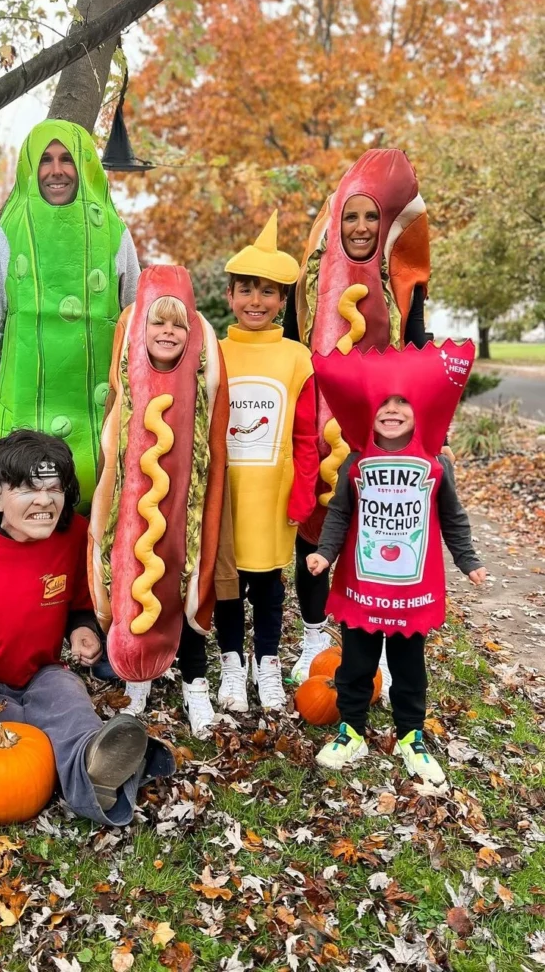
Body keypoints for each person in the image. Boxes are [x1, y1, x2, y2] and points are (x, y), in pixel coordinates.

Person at [0, 429, 174, 825]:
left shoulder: (73, 537)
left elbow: (81, 607)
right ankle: (107, 768)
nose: (45, 501)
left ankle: (93, 755)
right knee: (17, 737)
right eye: (29, 489)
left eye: (55, 489)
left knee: (69, 699)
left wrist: (82, 631)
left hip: (43, 673)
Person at [284, 149, 435, 694]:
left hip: (381, 430)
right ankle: (314, 637)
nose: (362, 226)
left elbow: (419, 346)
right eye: (352, 216)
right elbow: (287, 345)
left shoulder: (402, 283)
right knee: (315, 528)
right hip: (316, 426)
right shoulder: (308, 282)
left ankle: (383, 639)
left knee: (379, 532)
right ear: (336, 220)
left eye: (372, 216)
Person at [306, 342, 486, 787]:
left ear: (418, 409)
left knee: (409, 666)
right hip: (361, 586)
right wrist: (324, 553)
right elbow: (342, 515)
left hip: (412, 588)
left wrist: (469, 561)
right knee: (355, 664)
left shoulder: (436, 464)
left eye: (401, 402)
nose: (391, 410)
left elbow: (453, 518)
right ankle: (352, 731)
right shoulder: (355, 463)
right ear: (370, 412)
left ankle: (411, 735)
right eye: (383, 403)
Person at [0, 120, 140, 511]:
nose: (56, 170)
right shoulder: (7, 235)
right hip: (24, 412)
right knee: (26, 515)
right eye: (46, 159)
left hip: (98, 415)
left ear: (85, 165)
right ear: (30, 168)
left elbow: (136, 328)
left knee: (95, 523)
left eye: (67, 159)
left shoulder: (115, 234)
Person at [88, 267, 238, 738]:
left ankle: (194, 682)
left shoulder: (204, 374)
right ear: (141, 330)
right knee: (134, 582)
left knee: (187, 583)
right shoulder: (129, 372)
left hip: (186, 515)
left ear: (191, 333)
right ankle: (139, 681)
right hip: (133, 513)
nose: (168, 332)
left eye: (178, 324)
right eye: (158, 322)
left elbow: (215, 439)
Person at [214, 212, 319, 712]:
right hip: (226, 498)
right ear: (230, 296)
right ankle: (233, 663)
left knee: (269, 590)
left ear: (282, 300)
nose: (256, 302)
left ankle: (269, 662)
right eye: (246, 291)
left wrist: (303, 490)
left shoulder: (297, 358)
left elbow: (304, 433)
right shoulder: (212, 354)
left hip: (272, 498)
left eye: (268, 292)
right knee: (229, 587)